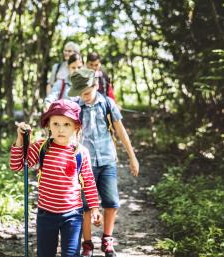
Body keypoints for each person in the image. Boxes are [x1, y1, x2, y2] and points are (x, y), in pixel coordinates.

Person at [10, 99, 102, 257]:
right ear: (48, 125)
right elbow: (17, 165)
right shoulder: (42, 147)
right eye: (56, 124)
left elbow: (88, 181)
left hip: (73, 214)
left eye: (66, 124)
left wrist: (94, 207)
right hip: (46, 213)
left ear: (76, 127)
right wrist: (20, 139)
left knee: (71, 254)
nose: (60, 129)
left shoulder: (80, 152)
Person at [68, 69, 139, 257]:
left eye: (87, 90)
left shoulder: (107, 104)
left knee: (111, 202)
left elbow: (120, 131)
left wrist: (132, 156)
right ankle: (87, 244)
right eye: (80, 91)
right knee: (84, 206)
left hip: (107, 160)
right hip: (84, 164)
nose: (84, 94)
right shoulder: (75, 107)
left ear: (96, 85)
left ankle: (107, 240)